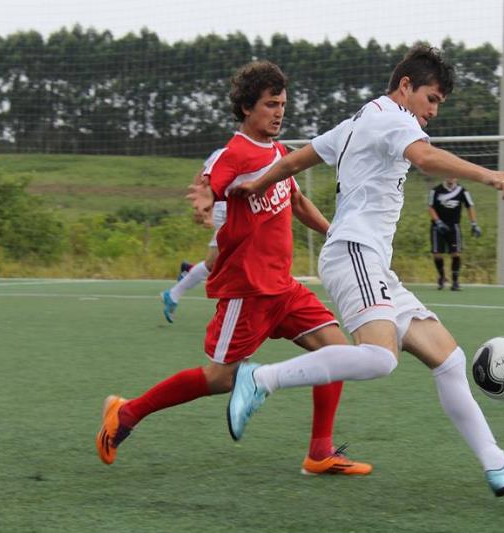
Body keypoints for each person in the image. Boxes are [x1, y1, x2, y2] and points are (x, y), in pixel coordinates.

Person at [200, 45, 504, 497]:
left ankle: (496, 463)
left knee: (448, 359)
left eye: (439, 102)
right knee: (380, 358)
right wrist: (490, 176)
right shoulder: (394, 118)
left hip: (370, 261)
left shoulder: (358, 121)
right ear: (405, 86)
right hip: (355, 252)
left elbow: (293, 161)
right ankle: (260, 379)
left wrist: (258, 183)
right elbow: (425, 159)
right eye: (431, 98)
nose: (433, 110)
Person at [97, 60, 372, 476]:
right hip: (247, 292)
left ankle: (320, 452)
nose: (279, 113)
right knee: (220, 379)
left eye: (283, 105)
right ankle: (126, 412)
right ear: (246, 107)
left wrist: (336, 233)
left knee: (337, 354)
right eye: (270, 105)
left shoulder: (278, 153)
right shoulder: (235, 153)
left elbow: (297, 202)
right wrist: (205, 199)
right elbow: (212, 179)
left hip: (283, 289)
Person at [160, 150, 226, 323]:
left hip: (234, 210)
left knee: (214, 263)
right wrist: (201, 208)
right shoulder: (223, 153)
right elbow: (201, 178)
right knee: (237, 259)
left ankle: (176, 289)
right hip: (226, 211)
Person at [429, 177, 481, 290]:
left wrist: (474, 224)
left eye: (453, 176)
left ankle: (455, 281)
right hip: (438, 227)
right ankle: (442, 277)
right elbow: (431, 207)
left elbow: (470, 206)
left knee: (456, 253)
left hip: (454, 227)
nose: (451, 178)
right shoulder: (436, 190)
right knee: (437, 254)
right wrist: (438, 222)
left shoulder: (462, 191)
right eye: (448, 175)